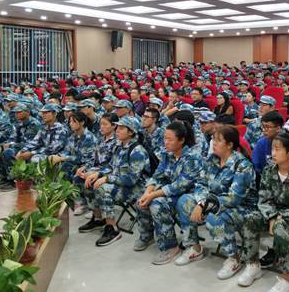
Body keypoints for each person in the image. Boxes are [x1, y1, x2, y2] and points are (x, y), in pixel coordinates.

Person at [238, 132, 289, 292]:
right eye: (273, 148)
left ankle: (288, 280)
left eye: (278, 149)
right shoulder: (268, 171)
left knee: (281, 227)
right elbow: (264, 199)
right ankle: (253, 265)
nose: (273, 153)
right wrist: (272, 216)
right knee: (250, 219)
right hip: (274, 215)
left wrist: (280, 217)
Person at [174, 125, 257, 275]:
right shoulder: (212, 160)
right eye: (213, 139)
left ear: (229, 145)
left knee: (213, 218)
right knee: (184, 201)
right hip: (213, 202)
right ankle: (194, 248)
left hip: (242, 207)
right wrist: (202, 201)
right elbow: (201, 183)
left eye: (218, 140)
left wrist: (205, 204)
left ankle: (234, 258)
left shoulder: (242, 165)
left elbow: (234, 198)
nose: (213, 143)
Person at [79, 116, 154, 247]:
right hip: (120, 182)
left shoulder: (137, 151)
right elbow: (111, 166)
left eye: (121, 128)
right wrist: (98, 174)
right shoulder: (119, 147)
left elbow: (131, 180)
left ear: (131, 132)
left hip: (137, 188)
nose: (117, 130)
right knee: (89, 182)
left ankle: (112, 229)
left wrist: (107, 178)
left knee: (102, 188)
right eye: (117, 127)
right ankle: (98, 218)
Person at [137, 121, 203, 265]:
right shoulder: (167, 154)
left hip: (190, 195)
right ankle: (146, 235)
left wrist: (152, 195)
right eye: (164, 138)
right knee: (141, 198)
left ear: (182, 140)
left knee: (156, 203)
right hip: (172, 193)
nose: (165, 142)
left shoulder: (192, 157)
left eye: (170, 139)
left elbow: (179, 186)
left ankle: (171, 247)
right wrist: (147, 192)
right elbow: (157, 176)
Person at [74, 112, 118, 216]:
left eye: (105, 124)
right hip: (97, 169)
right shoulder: (100, 139)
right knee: (78, 178)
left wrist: (95, 172)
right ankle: (93, 210)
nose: (101, 127)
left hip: (109, 172)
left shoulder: (117, 142)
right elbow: (94, 159)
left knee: (91, 180)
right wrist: (84, 167)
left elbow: (113, 165)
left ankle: (98, 213)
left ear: (114, 126)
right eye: (101, 124)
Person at [0, 103, 40, 191]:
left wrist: (11, 145)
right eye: (16, 112)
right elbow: (13, 138)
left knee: (8, 152)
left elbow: (29, 143)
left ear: (27, 112)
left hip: (32, 149)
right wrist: (1, 146)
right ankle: (5, 178)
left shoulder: (34, 124)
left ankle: (15, 180)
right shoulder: (19, 123)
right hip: (21, 147)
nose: (17, 114)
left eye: (19, 112)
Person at [49, 111, 98, 184]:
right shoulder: (73, 136)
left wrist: (62, 158)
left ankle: (63, 188)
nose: (71, 124)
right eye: (70, 121)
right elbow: (66, 151)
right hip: (75, 163)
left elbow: (82, 158)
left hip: (87, 166)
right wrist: (57, 156)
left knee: (66, 166)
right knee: (55, 162)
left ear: (82, 123)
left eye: (74, 121)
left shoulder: (89, 138)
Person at [252, 111, 284, 175]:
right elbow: (257, 166)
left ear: (278, 128)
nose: (264, 130)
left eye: (267, 127)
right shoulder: (261, 143)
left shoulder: (288, 143)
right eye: (263, 127)